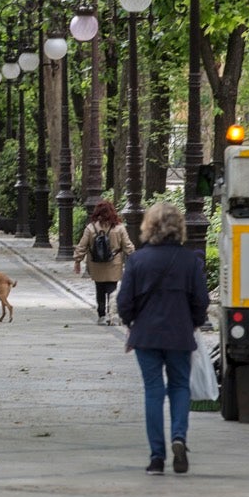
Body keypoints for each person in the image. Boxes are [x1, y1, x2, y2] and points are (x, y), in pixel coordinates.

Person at [116, 200, 209, 477]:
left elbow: (124, 302)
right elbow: (201, 300)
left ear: (149, 226)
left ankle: (157, 457)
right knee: (180, 386)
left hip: (146, 335)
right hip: (180, 333)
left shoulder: (138, 260)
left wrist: (131, 322)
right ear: (178, 227)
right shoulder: (190, 260)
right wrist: (193, 322)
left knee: (153, 391)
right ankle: (179, 436)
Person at [74, 199, 136, 325]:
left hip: (96, 264)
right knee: (112, 288)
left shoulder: (91, 228)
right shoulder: (119, 228)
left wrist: (77, 260)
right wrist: (136, 258)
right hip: (114, 263)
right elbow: (128, 246)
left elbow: (82, 246)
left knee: (100, 289)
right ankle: (113, 315)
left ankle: (102, 316)